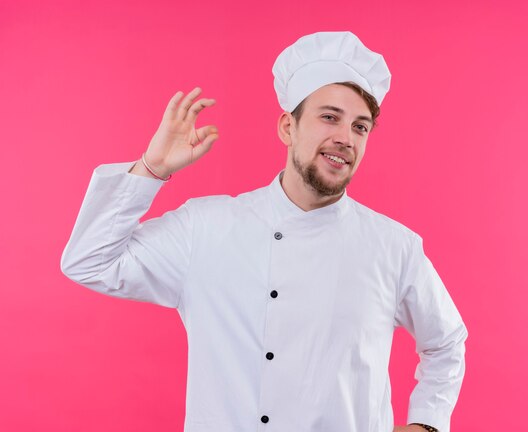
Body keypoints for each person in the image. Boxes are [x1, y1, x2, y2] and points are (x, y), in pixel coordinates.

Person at [61, 31, 467, 432]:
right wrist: (151, 169)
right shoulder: (207, 228)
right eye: (329, 117)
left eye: (360, 127)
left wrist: (427, 425)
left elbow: (447, 342)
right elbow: (89, 260)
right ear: (287, 127)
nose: (345, 138)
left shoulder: (394, 248)